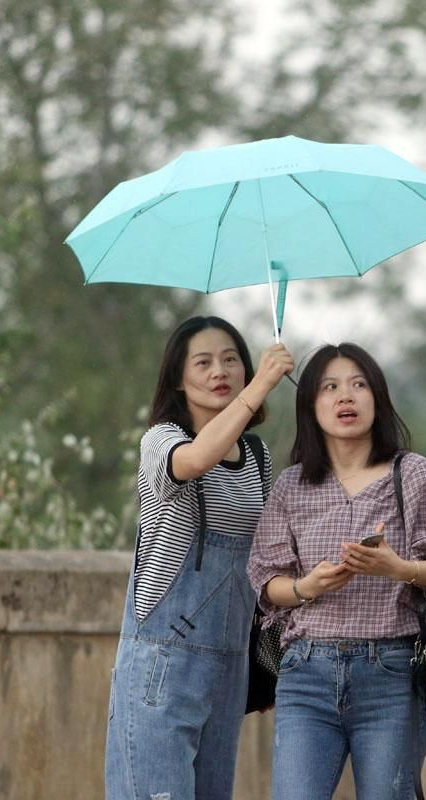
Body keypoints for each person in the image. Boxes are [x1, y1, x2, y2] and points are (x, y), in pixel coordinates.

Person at [247, 342, 426, 800]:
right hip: (305, 672)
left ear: (378, 398)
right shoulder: (292, 485)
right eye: (329, 387)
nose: (345, 397)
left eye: (358, 385)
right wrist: (304, 587)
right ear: (311, 405)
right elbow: (267, 581)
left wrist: (399, 568)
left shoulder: (414, 475)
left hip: (390, 672)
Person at [104, 316, 294, 800]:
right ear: (177, 379)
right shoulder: (162, 441)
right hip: (164, 662)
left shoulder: (255, 455)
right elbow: (192, 462)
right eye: (204, 362)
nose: (220, 371)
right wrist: (260, 387)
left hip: (229, 662)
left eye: (231, 359)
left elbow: (263, 560)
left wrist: (264, 660)